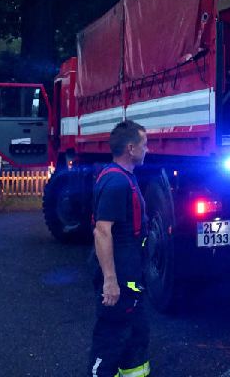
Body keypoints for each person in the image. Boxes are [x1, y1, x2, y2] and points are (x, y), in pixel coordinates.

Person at [89, 121, 151, 377]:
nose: (147, 149)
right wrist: (110, 282)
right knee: (112, 333)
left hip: (131, 270)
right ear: (130, 148)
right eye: (144, 144)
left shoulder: (123, 176)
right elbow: (102, 232)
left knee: (136, 330)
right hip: (121, 272)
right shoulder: (117, 183)